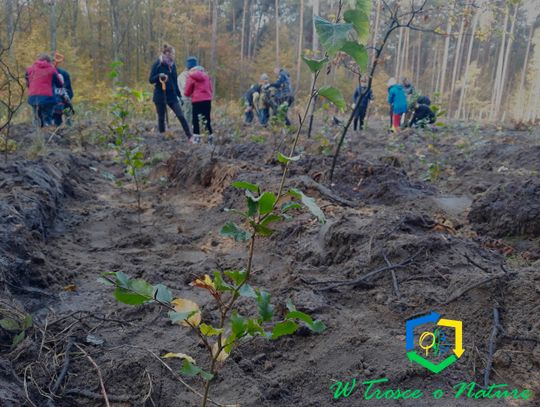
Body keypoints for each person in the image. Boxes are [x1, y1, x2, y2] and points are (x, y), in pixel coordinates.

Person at [149, 43, 192, 141]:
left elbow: (175, 81)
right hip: (160, 94)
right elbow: (151, 79)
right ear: (167, 53)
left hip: (172, 95)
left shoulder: (172, 65)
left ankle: (190, 136)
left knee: (180, 115)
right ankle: (162, 137)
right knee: (161, 117)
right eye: (173, 53)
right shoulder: (157, 64)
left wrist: (179, 96)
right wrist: (159, 75)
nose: (174, 55)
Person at [26, 53, 64, 127]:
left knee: (37, 117)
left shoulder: (30, 70)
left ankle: (36, 134)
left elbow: (28, 83)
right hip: (47, 98)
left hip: (33, 97)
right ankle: (46, 131)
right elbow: (60, 84)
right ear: (49, 61)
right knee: (47, 117)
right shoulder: (52, 70)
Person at [184, 58, 213, 142]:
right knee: (206, 119)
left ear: (189, 67)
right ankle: (210, 137)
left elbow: (187, 91)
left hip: (197, 101)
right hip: (207, 100)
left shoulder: (191, 76)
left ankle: (196, 138)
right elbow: (210, 88)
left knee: (195, 119)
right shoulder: (206, 75)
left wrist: (188, 95)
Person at [52, 53, 74, 126]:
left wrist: (67, 98)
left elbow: (68, 89)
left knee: (65, 117)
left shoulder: (64, 73)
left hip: (61, 99)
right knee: (59, 118)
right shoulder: (64, 73)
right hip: (58, 100)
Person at [177, 57, 195, 128]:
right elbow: (185, 87)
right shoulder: (183, 75)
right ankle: (187, 131)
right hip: (186, 99)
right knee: (187, 116)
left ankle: (190, 130)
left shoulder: (189, 75)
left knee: (191, 116)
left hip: (192, 99)